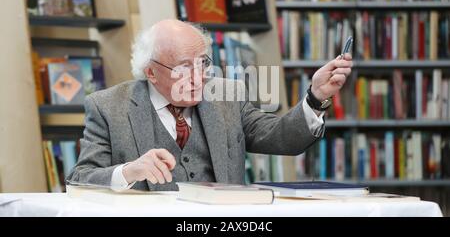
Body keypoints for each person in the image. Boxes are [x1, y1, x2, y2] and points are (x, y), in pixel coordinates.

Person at [67, 19, 353, 191]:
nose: (199, 76)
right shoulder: (107, 107)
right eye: (183, 67)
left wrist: (315, 96)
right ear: (151, 72)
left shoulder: (227, 97)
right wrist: (129, 171)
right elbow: (81, 179)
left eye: (202, 63)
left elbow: (282, 138)